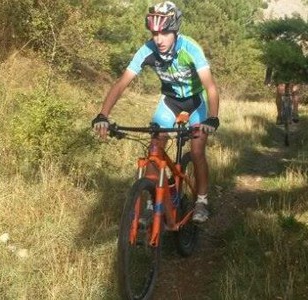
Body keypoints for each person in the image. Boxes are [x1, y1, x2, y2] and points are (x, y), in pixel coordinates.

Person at [91, 1, 220, 223]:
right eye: (154, 33)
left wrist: (213, 117)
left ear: (175, 30)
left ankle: (201, 200)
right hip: (170, 102)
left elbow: (210, 87)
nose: (158, 39)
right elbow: (122, 83)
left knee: (197, 151)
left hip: (194, 103)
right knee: (154, 147)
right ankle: (152, 202)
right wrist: (103, 114)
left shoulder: (190, 49)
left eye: (165, 33)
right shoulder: (147, 49)